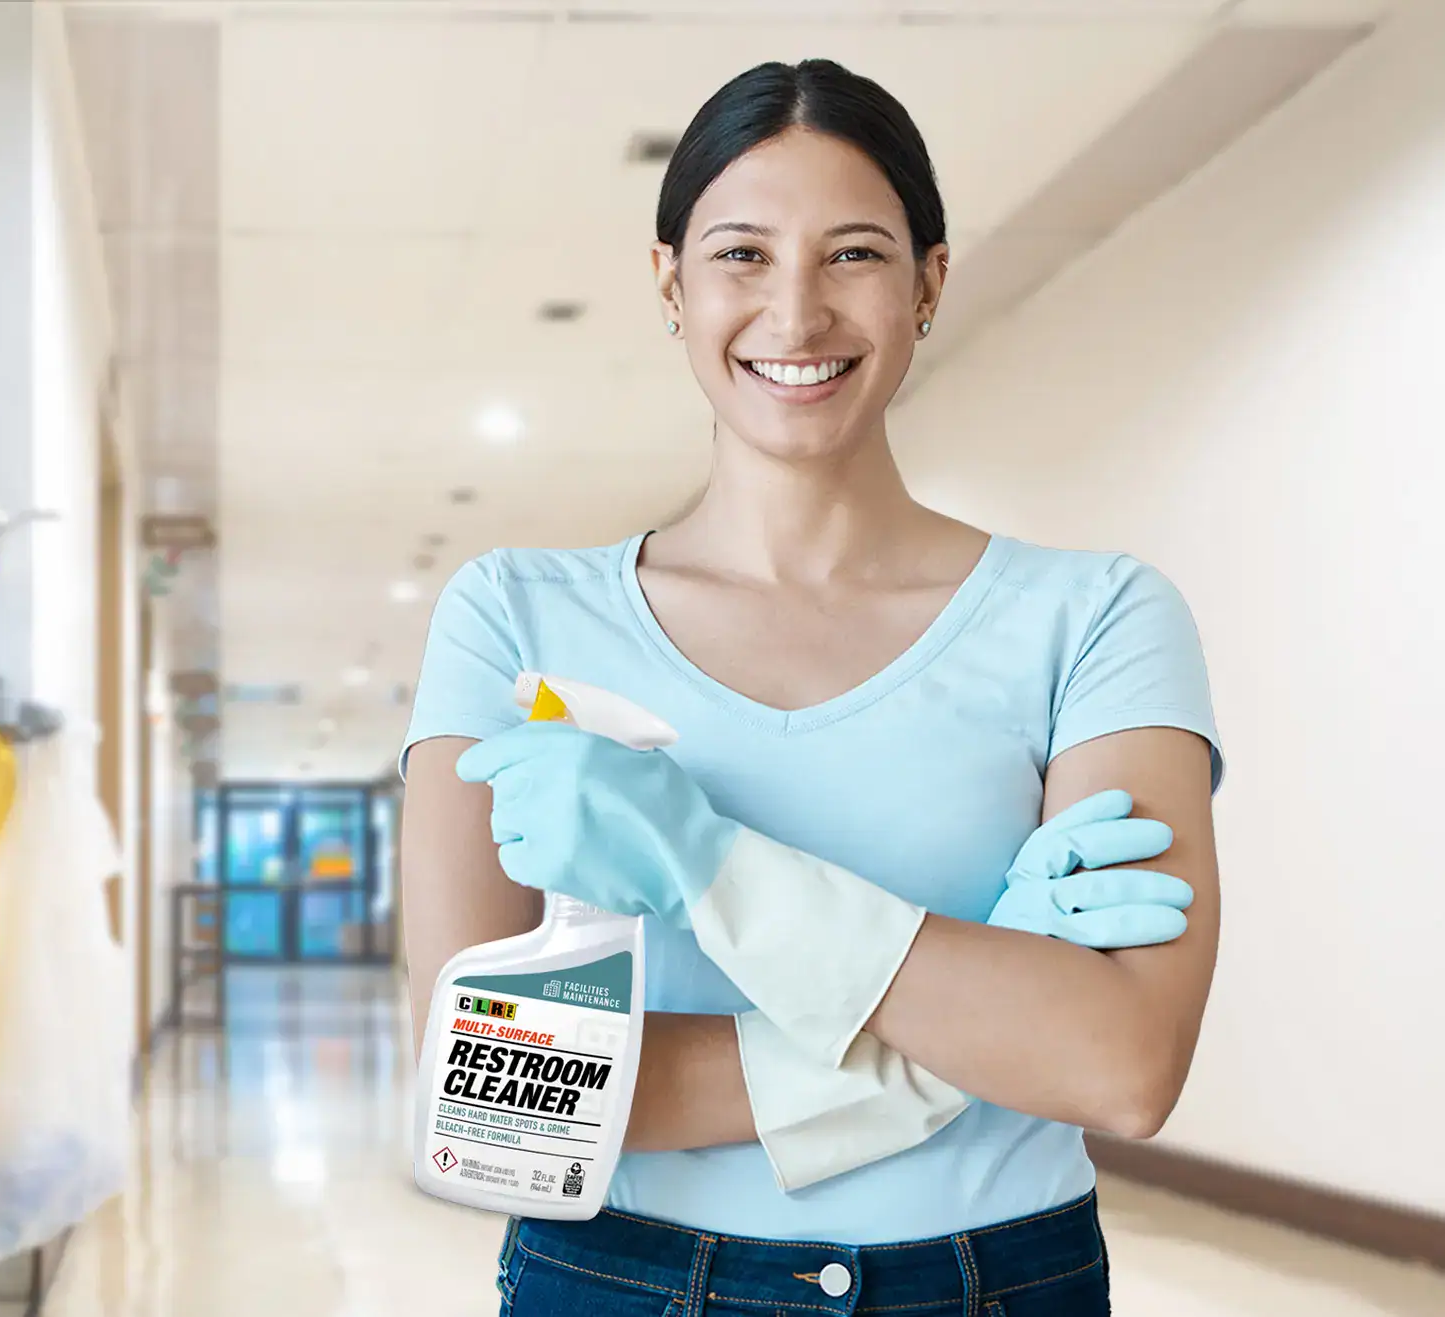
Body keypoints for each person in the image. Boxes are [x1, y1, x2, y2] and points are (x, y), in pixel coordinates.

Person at [399, 59, 1222, 1316]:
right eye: (740, 255)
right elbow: (483, 1092)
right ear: (670, 284)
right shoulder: (514, 618)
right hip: (620, 1281)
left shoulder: (1096, 619)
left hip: (998, 1283)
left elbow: (1121, 1069)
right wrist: (960, 1045)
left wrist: (704, 859)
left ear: (927, 284)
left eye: (852, 255)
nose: (794, 314)